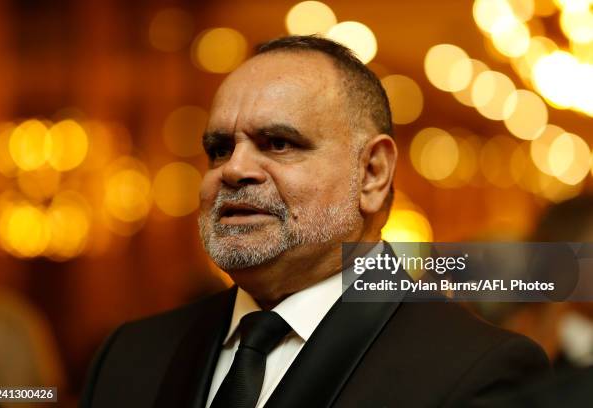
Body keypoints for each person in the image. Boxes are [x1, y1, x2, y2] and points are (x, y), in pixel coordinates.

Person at [79, 35, 549, 408]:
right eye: (219, 149)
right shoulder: (131, 356)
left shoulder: (475, 370)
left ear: (372, 173)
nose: (233, 169)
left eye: (278, 143)